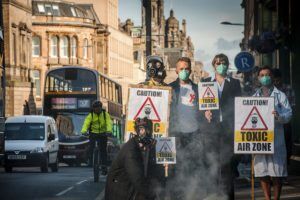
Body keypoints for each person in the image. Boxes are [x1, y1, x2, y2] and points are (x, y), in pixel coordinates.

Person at [203, 53, 242, 199]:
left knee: (227, 168)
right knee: (211, 167)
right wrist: (204, 113)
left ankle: (228, 197)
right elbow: (200, 107)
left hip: (228, 131)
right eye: (218, 63)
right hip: (211, 131)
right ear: (213, 65)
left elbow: (239, 106)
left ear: (227, 65)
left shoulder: (235, 83)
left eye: (224, 62)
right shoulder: (206, 82)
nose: (221, 65)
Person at [253, 66, 292, 200]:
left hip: (276, 137)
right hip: (260, 138)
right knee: (262, 170)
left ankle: (276, 198)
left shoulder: (280, 95)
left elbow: (288, 115)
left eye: (267, 75)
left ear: (272, 77)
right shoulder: (254, 96)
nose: (265, 77)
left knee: (277, 171)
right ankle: (267, 198)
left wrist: (278, 115)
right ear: (258, 78)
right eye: (262, 75)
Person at [168, 57, 202, 199]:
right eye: (181, 69)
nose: (184, 71)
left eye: (186, 69)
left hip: (193, 133)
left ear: (190, 70)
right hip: (175, 132)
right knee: (175, 166)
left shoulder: (197, 89)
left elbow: (204, 108)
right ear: (176, 70)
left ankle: (191, 193)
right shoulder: (169, 88)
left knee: (192, 165)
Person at [105, 117, 160, 200]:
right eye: (142, 130)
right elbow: (138, 179)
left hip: (126, 190)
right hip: (119, 194)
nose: (146, 133)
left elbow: (151, 171)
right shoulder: (131, 150)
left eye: (148, 131)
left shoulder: (138, 147)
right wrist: (153, 195)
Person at [81, 100, 112, 175]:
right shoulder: (90, 115)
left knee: (103, 150)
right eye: (96, 108)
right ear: (93, 108)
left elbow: (108, 123)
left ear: (101, 108)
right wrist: (84, 131)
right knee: (91, 147)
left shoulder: (105, 114)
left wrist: (109, 131)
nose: (97, 109)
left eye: (99, 107)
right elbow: (86, 123)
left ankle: (104, 166)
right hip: (93, 134)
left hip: (103, 134)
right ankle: (91, 161)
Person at [272, 68, 295, 165]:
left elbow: (292, 106)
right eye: (274, 80)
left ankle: (286, 163)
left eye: (278, 80)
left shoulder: (288, 88)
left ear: (281, 79)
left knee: (287, 144)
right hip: (272, 123)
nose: (276, 82)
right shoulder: (269, 90)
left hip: (285, 122)